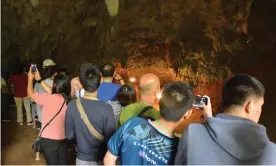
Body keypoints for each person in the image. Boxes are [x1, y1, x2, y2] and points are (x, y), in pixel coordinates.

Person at [175, 74, 276, 165]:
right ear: (249, 106)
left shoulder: (193, 133)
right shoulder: (270, 151)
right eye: (260, 105)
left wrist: (210, 121)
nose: (260, 110)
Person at [104, 82, 195, 165]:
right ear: (188, 113)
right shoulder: (178, 149)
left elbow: (108, 160)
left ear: (159, 102)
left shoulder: (134, 124)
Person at [65, 63, 116, 165]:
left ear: (80, 82)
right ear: (100, 80)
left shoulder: (72, 105)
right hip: (101, 158)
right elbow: (111, 139)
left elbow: (69, 135)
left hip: (81, 158)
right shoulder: (107, 109)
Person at [27, 68, 71, 165]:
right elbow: (55, 92)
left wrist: (30, 79)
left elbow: (30, 94)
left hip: (48, 139)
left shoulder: (48, 98)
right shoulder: (70, 101)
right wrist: (40, 80)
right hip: (64, 139)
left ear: (54, 85)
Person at [33, 59, 56, 129]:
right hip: (54, 117)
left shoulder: (38, 84)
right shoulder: (56, 83)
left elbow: (33, 99)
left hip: (41, 116)